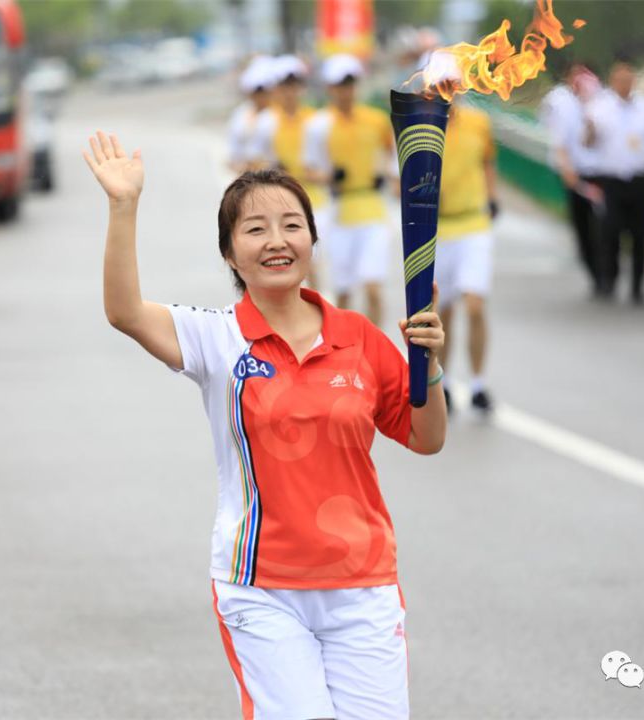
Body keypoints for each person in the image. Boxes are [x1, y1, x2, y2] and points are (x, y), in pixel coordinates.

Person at [83, 129, 447, 719]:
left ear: (312, 241)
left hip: (362, 583)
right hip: (261, 588)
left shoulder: (358, 337)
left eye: (291, 225)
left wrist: (429, 366)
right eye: (255, 229)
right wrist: (123, 206)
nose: (276, 241)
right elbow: (124, 312)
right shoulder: (217, 337)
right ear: (230, 254)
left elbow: (426, 438)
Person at [303, 53, 397, 326]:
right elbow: (310, 169)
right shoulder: (319, 125)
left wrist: (390, 176)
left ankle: (375, 346)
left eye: (350, 84)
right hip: (340, 213)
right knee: (344, 292)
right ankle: (344, 348)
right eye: (339, 85)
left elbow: (393, 157)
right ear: (329, 88)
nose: (346, 91)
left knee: (373, 287)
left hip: (372, 210)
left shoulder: (377, 120)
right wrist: (330, 176)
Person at [585, 56, 644, 305]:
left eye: (628, 79)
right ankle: (610, 279)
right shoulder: (599, 108)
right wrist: (589, 128)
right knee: (610, 231)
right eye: (619, 79)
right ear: (612, 81)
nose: (624, 83)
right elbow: (588, 143)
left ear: (634, 80)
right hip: (611, 181)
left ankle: (638, 286)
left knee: (640, 235)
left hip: (640, 180)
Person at [434, 94, 499, 415]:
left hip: (473, 223)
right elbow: (399, 178)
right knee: (443, 310)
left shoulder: (478, 122)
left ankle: (478, 384)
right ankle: (444, 383)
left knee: (474, 304)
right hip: (437, 229)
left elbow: (487, 162)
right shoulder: (421, 125)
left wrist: (492, 196)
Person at [247, 55, 330, 289]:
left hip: (315, 199)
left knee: (310, 261)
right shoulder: (265, 122)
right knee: (289, 262)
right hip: (280, 202)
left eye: (294, 85)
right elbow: (253, 163)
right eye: (284, 86)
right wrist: (273, 168)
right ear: (276, 89)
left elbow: (326, 165)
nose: (290, 92)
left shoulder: (317, 120)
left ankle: (314, 307)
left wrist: (321, 175)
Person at [541, 61, 605, 295]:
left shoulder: (601, 100)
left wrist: (589, 111)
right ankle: (596, 275)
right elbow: (557, 138)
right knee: (583, 227)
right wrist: (566, 168)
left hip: (601, 173)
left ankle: (608, 270)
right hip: (576, 174)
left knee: (605, 225)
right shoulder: (559, 101)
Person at [227, 56, 277, 173]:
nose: (260, 96)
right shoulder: (240, 114)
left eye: (264, 91)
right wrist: (240, 166)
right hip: (247, 177)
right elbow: (232, 153)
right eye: (256, 92)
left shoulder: (278, 114)